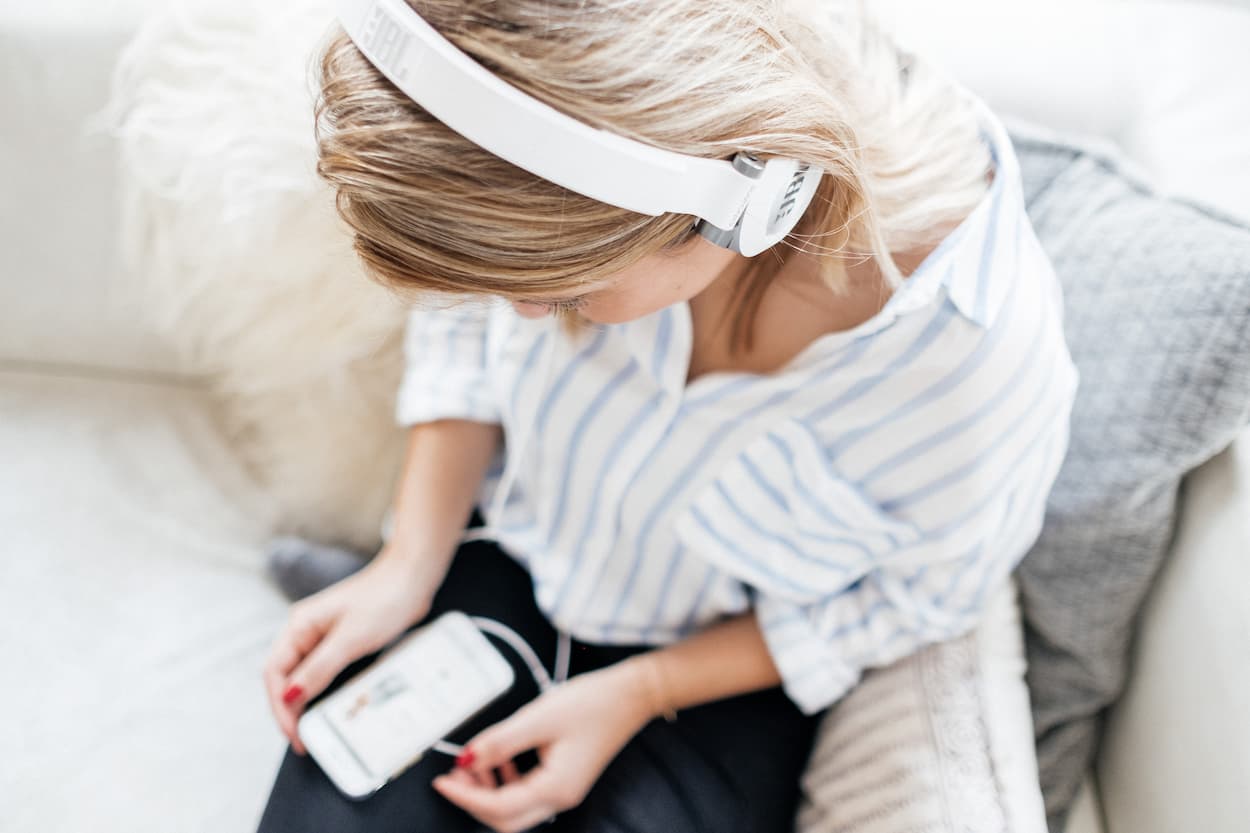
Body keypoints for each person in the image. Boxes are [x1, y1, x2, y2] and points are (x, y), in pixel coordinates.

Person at [256, 1, 1079, 832]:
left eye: (562, 291)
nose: (525, 315)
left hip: (714, 687)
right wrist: (409, 560)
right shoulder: (555, 210)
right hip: (501, 564)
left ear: (749, 199)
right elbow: (465, 325)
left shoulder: (973, 370)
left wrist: (642, 690)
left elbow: (920, 598)